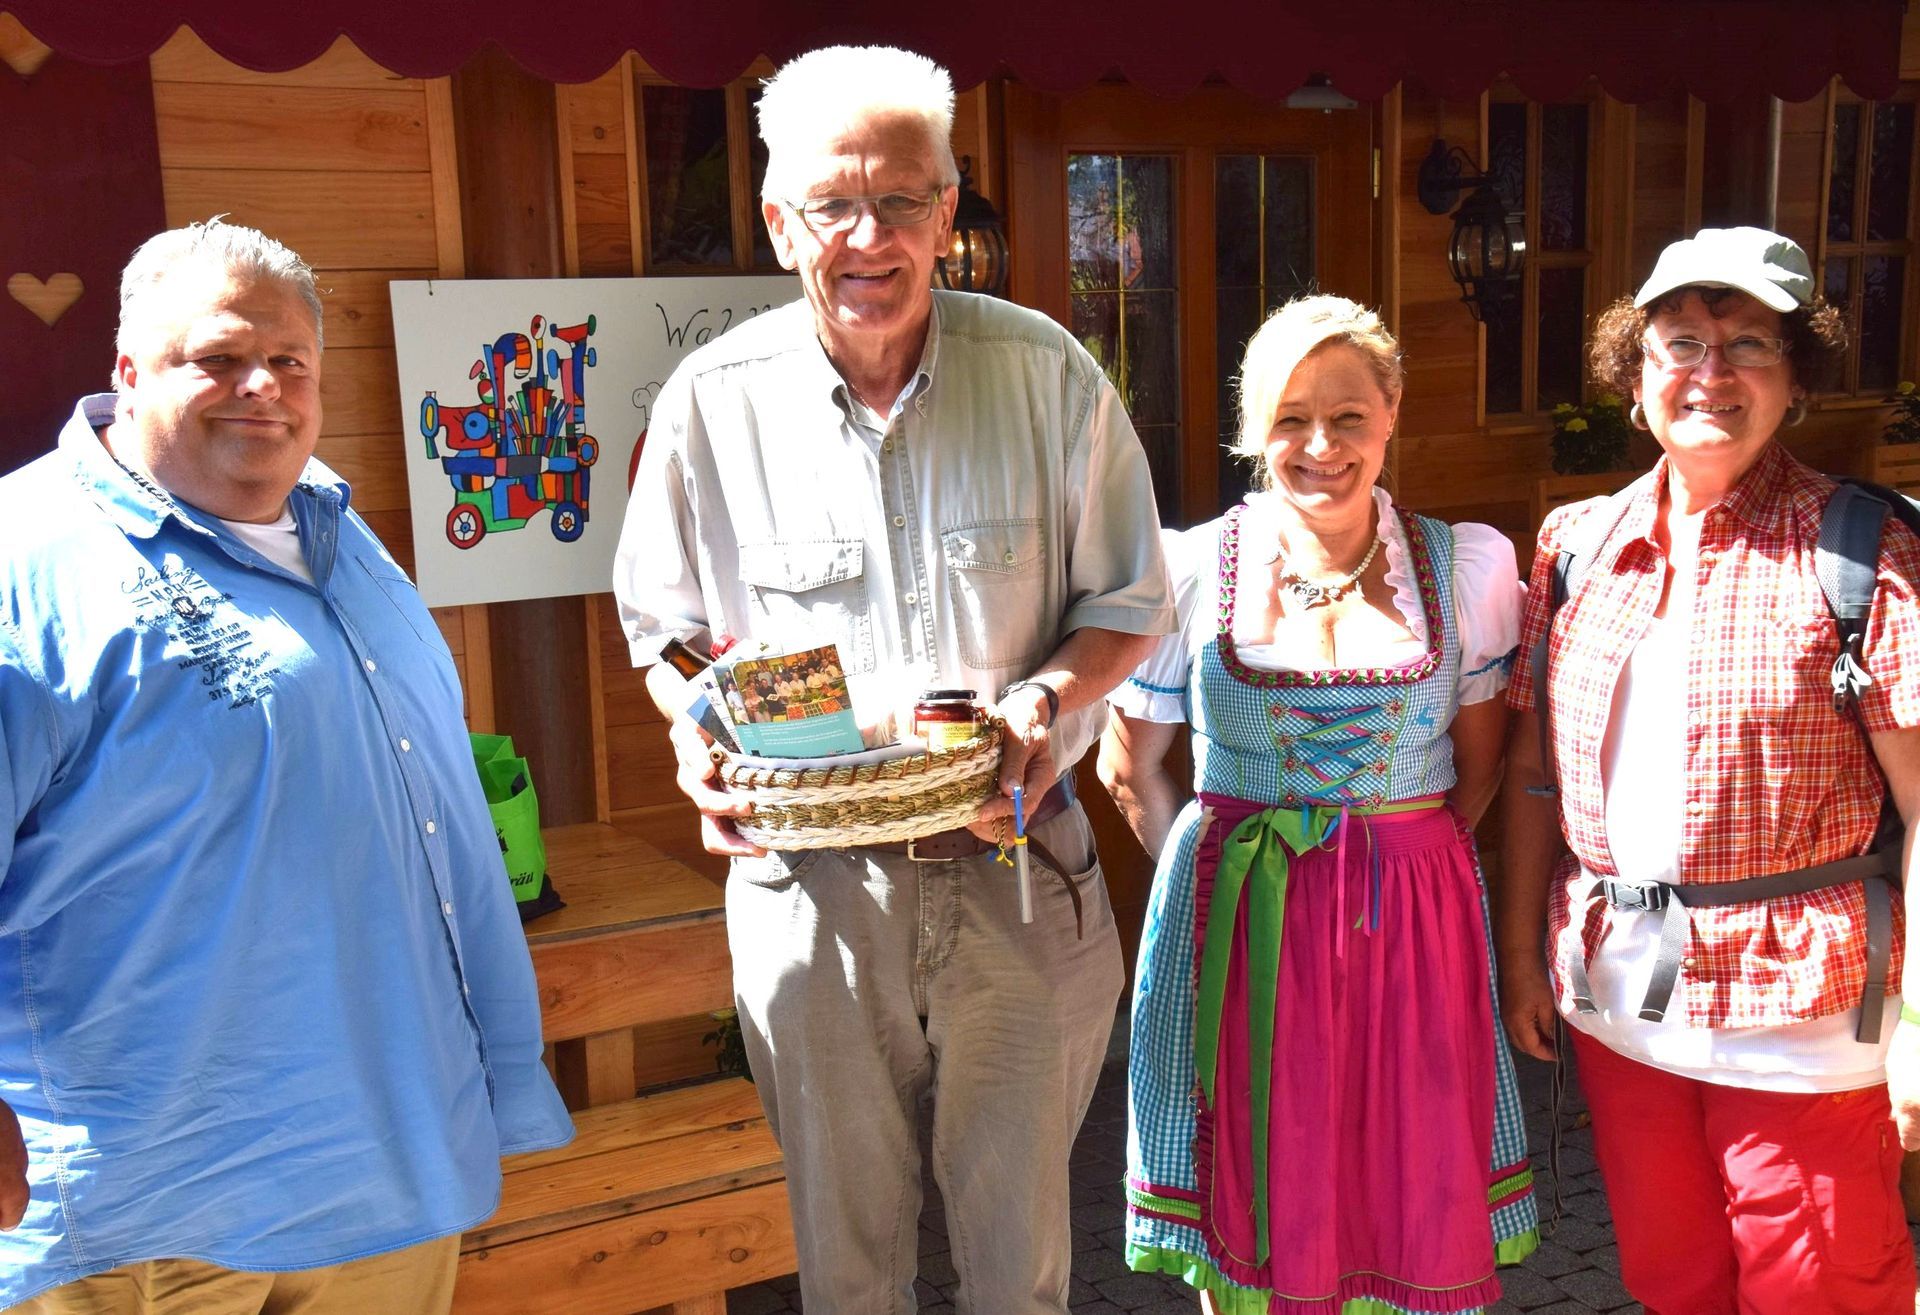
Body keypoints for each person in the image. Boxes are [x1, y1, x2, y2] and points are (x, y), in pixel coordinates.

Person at [611, 44, 1174, 1315]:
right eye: (833, 204)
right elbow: (665, 629)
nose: (870, 236)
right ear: (777, 220)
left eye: (905, 198)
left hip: (1018, 876)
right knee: (848, 1271)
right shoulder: (713, 402)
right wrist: (697, 733)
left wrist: (1044, 699)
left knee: (1017, 1270)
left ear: (950, 202)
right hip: (811, 897)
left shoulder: (1050, 376)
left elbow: (1134, 603)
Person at [0, 220, 572, 1313]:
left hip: (386, 1176)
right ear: (127, 373)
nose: (261, 384)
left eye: (290, 359)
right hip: (154, 1219)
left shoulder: (343, 533)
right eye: (215, 357)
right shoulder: (26, 567)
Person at [1499, 226, 1920, 1312]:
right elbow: (1539, 771)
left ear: (1797, 381)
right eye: (1680, 342)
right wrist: (1517, 953)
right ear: (1634, 378)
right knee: (1673, 1280)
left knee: (1819, 1292)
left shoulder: (1862, 550)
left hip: (1806, 1017)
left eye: (1749, 346)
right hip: (1626, 1001)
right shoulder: (1576, 543)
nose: (1711, 373)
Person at [1101, 295, 1540, 1313]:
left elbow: (1477, 768)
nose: (1320, 444)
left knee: (1410, 1186)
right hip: (1241, 930)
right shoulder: (1184, 570)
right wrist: (1215, 890)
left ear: (1391, 412)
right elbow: (1136, 769)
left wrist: (1387, 857)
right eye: (1290, 416)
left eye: (1348, 415)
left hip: (1414, 929)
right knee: (1258, 1188)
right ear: (1254, 430)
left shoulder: (1466, 567)